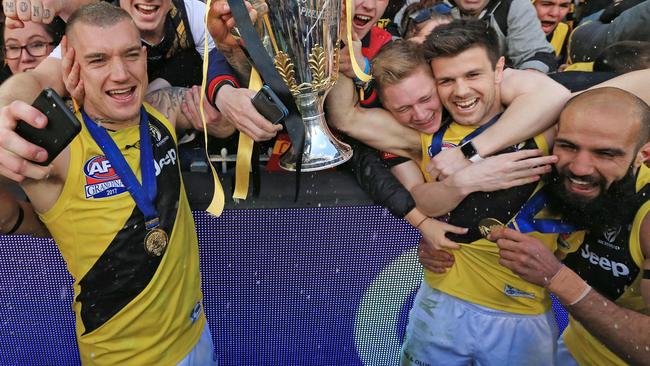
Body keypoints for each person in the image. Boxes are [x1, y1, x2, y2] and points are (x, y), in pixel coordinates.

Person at [0, 3, 226, 363]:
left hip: (196, 339)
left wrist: (230, 78)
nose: (121, 74)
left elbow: (221, 117)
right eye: (98, 60)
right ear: (71, 65)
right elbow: (28, 86)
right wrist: (5, 108)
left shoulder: (160, 111)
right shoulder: (57, 148)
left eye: (131, 54)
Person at [489, 88, 650, 366]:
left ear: (643, 154)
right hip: (572, 349)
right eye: (568, 146)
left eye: (605, 153)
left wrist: (556, 277)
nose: (579, 167)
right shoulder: (550, 172)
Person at [444, 0, 557, 72]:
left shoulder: (513, 5)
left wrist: (528, 79)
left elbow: (536, 56)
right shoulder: (433, 13)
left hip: (505, 88)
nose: (555, 13)